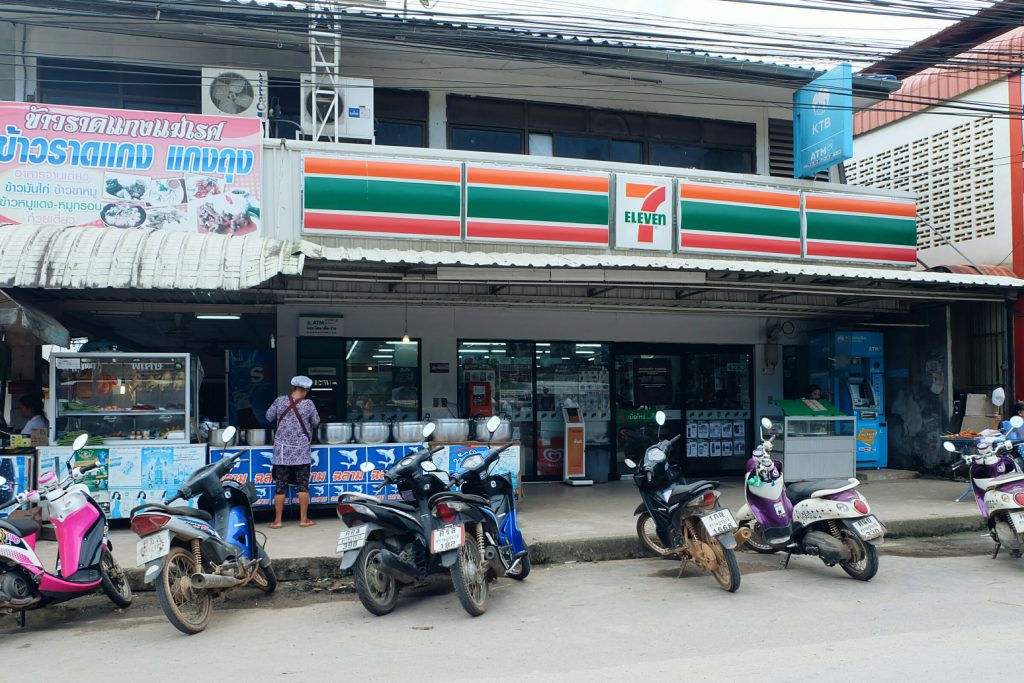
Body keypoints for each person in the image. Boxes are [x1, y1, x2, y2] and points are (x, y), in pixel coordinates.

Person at [265, 376, 320, 529]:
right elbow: (316, 422)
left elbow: (268, 416)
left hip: (282, 452)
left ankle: (277, 521)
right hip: (301, 452)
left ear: (293, 388)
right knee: (303, 486)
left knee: (280, 487)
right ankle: (303, 519)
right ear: (305, 390)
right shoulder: (309, 404)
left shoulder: (280, 401)